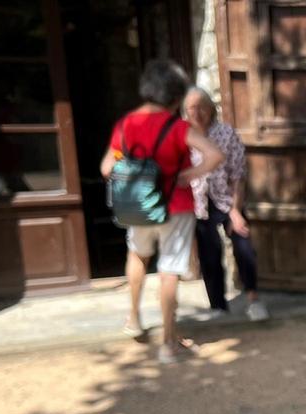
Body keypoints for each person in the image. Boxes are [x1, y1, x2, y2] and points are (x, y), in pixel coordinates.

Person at [101, 60, 223, 364]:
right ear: (175, 94)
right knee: (169, 270)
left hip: (138, 207)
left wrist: (134, 174)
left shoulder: (126, 125)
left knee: (137, 256)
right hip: (176, 206)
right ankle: (168, 344)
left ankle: (133, 318)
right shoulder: (178, 127)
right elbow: (215, 155)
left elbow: (107, 168)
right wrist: (188, 174)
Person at [183, 87, 268, 321]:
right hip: (198, 203)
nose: (197, 112)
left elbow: (238, 175)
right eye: (192, 108)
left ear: (211, 109)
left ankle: (253, 299)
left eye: (202, 106)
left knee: (244, 246)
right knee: (209, 255)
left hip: (227, 199)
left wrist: (236, 211)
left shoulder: (226, 133)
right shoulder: (184, 135)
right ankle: (218, 307)